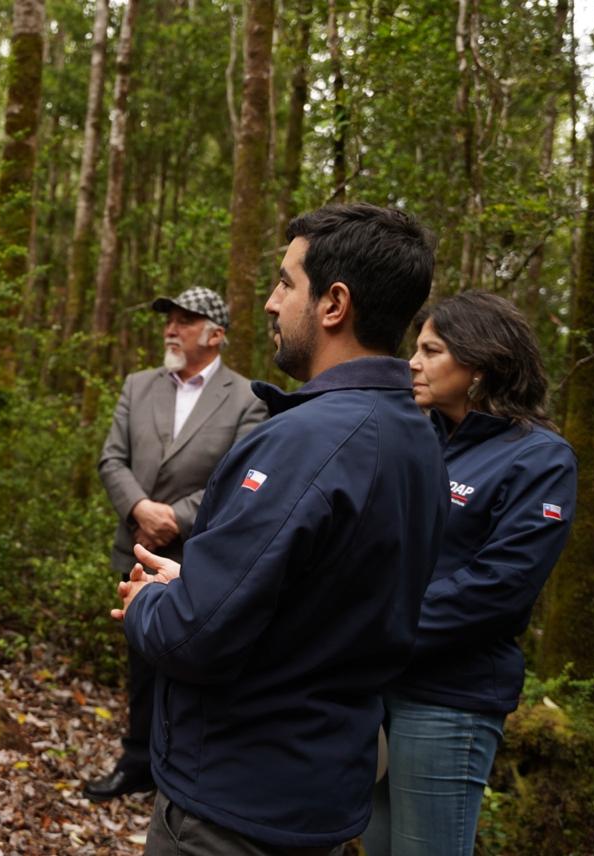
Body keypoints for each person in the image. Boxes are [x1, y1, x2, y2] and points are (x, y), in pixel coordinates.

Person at [114, 203, 448, 855]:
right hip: (317, 793)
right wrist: (202, 579)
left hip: (234, 805)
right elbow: (328, 592)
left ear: (334, 304)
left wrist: (152, 603)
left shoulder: (304, 441)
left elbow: (196, 636)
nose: (270, 302)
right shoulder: (418, 438)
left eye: (286, 282)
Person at [364, 292, 577, 856]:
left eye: (431, 350)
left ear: (480, 365)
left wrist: (380, 629)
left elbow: (500, 588)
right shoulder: (419, 438)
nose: (412, 361)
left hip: (450, 699)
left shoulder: (540, 459)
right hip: (379, 687)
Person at [87, 286, 267, 801]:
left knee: (195, 663)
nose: (171, 328)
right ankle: (137, 759)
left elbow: (240, 476)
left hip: (198, 557)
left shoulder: (248, 397)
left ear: (216, 335)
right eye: (169, 318)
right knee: (141, 662)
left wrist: (176, 520)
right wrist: (140, 511)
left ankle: (184, 770)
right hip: (137, 549)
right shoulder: (138, 385)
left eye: (185, 320)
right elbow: (111, 459)